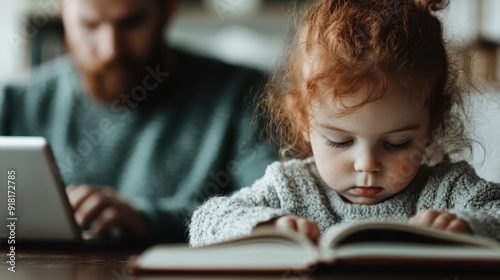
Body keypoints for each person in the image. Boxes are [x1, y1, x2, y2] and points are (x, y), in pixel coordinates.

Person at [188, 0, 500, 247]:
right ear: (302, 120)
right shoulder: (290, 188)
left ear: (433, 123)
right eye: (340, 141)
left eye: (397, 143)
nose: (367, 165)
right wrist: (266, 227)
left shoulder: (449, 191)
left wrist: (469, 226)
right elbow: (205, 223)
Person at [0, 0, 277, 243]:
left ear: (166, 10)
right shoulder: (15, 103)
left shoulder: (244, 93)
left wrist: (149, 221)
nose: (110, 49)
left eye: (130, 23)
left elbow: (271, 208)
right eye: (89, 24)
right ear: (63, 13)